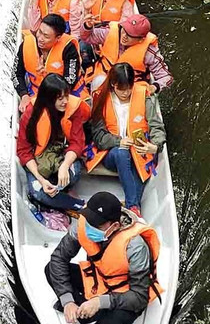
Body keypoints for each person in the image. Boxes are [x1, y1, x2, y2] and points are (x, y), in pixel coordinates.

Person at [45, 190, 161, 324]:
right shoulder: (83, 225)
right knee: (50, 268)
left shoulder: (135, 246)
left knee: (114, 321)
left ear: (115, 226)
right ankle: (83, 310)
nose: (90, 227)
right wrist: (67, 300)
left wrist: (100, 302)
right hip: (99, 280)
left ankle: (92, 313)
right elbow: (59, 258)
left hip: (124, 292)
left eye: (97, 225)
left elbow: (139, 296)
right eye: (89, 220)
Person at [86, 63, 165, 213]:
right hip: (112, 153)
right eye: (121, 89)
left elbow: (156, 126)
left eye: (129, 88)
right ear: (113, 84)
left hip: (138, 152)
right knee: (122, 153)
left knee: (137, 162)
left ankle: (133, 209)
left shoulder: (143, 96)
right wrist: (118, 141)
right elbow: (98, 136)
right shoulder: (101, 98)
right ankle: (133, 206)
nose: (126, 93)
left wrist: (155, 146)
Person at [17, 75, 91, 214]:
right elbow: (24, 151)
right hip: (39, 159)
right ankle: (79, 205)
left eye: (66, 96)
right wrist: (40, 179)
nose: (65, 101)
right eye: (60, 98)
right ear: (49, 99)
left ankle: (56, 194)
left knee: (73, 175)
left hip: (61, 154)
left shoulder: (73, 110)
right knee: (38, 192)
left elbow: (77, 143)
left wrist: (65, 165)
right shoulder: (30, 114)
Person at [14, 12, 81, 109]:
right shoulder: (27, 44)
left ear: (58, 38)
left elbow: (70, 81)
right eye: (40, 32)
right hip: (36, 94)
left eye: (46, 36)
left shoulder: (68, 48)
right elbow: (16, 74)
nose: (40, 38)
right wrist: (24, 95)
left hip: (65, 95)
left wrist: (48, 76)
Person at [97, 13, 173, 92]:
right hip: (106, 78)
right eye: (125, 31)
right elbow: (87, 36)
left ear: (141, 39)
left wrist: (154, 87)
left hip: (131, 87)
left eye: (130, 35)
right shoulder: (110, 34)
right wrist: (87, 26)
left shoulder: (149, 53)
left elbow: (166, 77)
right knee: (98, 82)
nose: (124, 36)